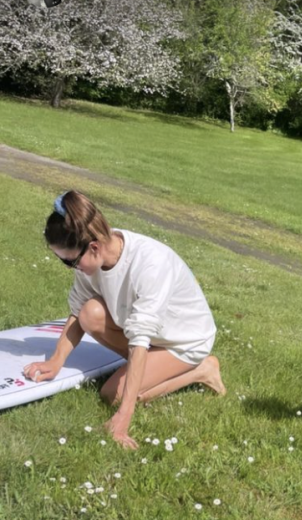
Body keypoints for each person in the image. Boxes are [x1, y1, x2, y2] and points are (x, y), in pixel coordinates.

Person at [23, 190, 225, 449]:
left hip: (184, 342)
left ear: (94, 248)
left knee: (113, 395)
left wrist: (124, 417)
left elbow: (139, 341)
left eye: (69, 262)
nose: (70, 267)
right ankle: (155, 368)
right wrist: (56, 361)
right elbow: (77, 312)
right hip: (151, 335)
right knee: (89, 312)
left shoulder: (150, 263)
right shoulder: (92, 251)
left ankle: (201, 369)